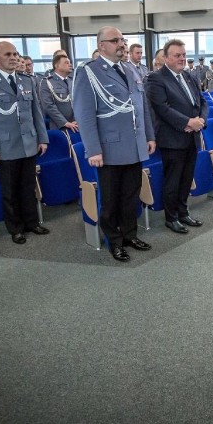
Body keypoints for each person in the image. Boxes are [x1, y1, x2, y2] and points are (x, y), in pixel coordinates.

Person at [73, 27, 155, 262]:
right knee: (110, 200)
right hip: (109, 149)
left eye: (122, 39)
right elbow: (85, 114)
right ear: (102, 45)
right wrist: (93, 149)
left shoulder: (130, 68)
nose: (121, 44)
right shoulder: (88, 72)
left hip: (134, 146)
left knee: (131, 195)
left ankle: (130, 235)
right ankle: (114, 241)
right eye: (115, 40)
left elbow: (142, 108)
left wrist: (149, 136)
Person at [0, 41, 50, 245]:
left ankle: (32, 222)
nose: (14, 57)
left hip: (29, 143)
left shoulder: (26, 80)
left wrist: (42, 138)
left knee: (29, 185)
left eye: (16, 54)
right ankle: (15, 227)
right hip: (4, 145)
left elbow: (36, 113)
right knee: (10, 190)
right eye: (8, 54)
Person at [145, 39, 207, 235]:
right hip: (172, 138)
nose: (182, 58)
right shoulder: (156, 78)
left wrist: (200, 121)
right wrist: (188, 122)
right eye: (177, 55)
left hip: (192, 136)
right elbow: (162, 108)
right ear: (166, 58)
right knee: (173, 180)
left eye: (183, 55)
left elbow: (202, 102)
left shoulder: (188, 76)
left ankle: (183, 212)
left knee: (187, 178)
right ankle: (171, 218)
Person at [39, 54, 78, 133]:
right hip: (59, 127)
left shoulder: (73, 81)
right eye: (66, 63)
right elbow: (48, 106)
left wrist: (77, 120)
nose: (70, 65)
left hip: (76, 125)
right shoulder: (47, 82)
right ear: (57, 65)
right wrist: (65, 123)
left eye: (70, 62)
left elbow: (78, 102)